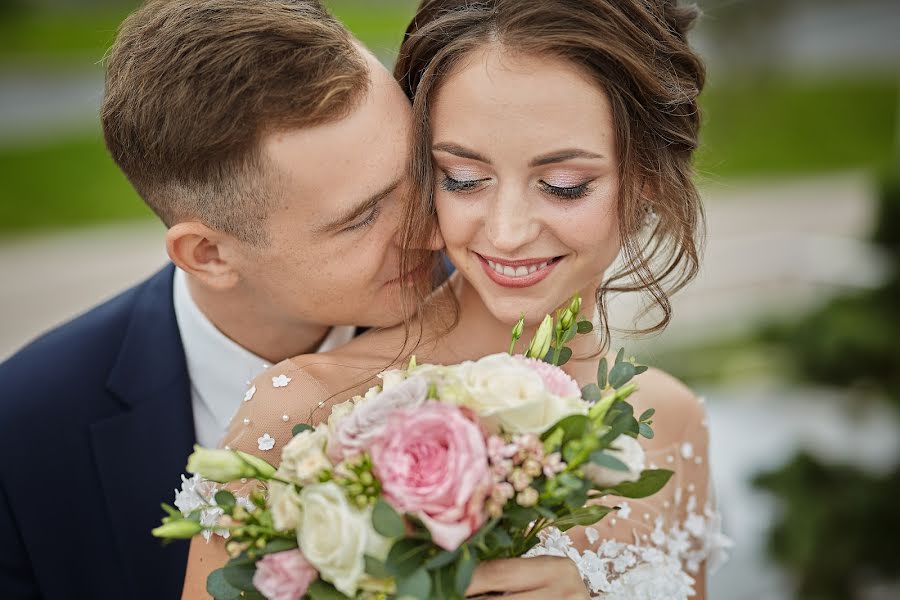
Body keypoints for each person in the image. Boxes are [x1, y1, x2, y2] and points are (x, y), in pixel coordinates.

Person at [185, 0, 732, 598]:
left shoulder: (673, 423)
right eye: (463, 179)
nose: (506, 231)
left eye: (564, 186)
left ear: (648, 177)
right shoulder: (307, 413)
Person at [0, 1, 436, 598]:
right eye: (362, 217)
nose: (435, 232)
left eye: (419, 169)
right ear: (208, 254)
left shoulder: (506, 326)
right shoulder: (22, 438)